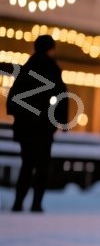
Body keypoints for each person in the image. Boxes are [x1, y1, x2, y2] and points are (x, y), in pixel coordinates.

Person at [7, 35, 69, 213]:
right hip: (43, 126)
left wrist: (18, 115)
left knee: (26, 165)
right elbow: (61, 96)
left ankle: (18, 203)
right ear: (51, 48)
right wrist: (60, 120)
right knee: (42, 167)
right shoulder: (52, 68)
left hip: (26, 126)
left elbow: (13, 97)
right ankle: (36, 204)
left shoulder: (28, 66)